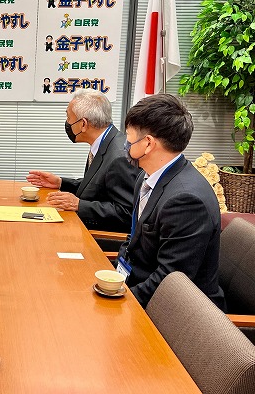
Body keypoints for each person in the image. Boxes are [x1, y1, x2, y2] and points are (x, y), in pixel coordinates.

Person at [117, 94, 225, 309]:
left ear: (148, 143)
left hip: (181, 312)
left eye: (128, 138)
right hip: (140, 284)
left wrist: (120, 300)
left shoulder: (186, 200)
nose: (125, 145)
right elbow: (135, 238)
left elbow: (169, 280)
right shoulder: (146, 176)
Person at [27, 89, 139, 232]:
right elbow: (99, 186)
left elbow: (127, 213)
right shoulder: (105, 142)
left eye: (68, 118)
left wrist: (80, 205)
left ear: (83, 124)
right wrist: (61, 183)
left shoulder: (119, 157)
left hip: (100, 236)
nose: (67, 123)